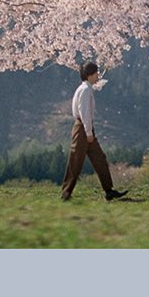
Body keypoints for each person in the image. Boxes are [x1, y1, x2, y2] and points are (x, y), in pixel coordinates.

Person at [61, 62, 128, 201]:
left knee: (99, 159)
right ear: (90, 74)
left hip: (83, 128)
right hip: (83, 130)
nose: (98, 75)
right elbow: (84, 112)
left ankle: (109, 190)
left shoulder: (85, 88)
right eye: (96, 73)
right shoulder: (85, 90)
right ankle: (66, 193)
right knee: (76, 161)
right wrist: (89, 133)